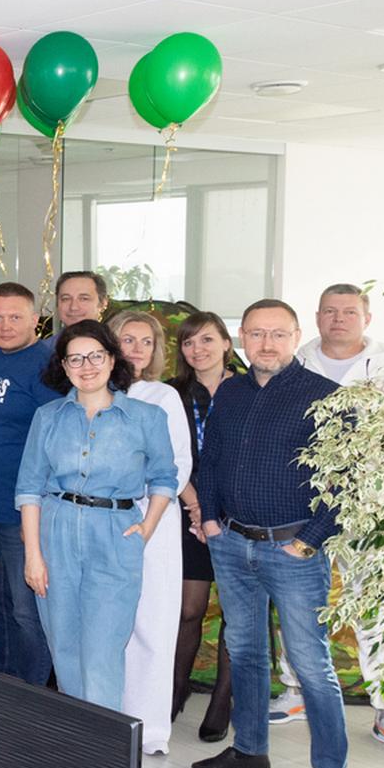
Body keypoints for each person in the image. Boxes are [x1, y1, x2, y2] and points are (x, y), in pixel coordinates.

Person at [191, 299, 348, 768]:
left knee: (311, 667)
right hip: (232, 543)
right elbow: (211, 459)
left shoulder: (326, 398)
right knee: (245, 651)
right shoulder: (231, 392)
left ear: (296, 337)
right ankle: (250, 748)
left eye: (278, 334)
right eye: (257, 333)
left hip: (292, 550)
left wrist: (309, 541)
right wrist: (211, 521)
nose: (267, 344)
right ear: (242, 337)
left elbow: (344, 482)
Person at [277, 283, 384, 758]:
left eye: (349, 312)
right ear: (317, 317)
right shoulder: (296, 363)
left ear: (367, 318)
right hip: (305, 505)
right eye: (330, 311)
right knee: (298, 600)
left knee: (376, 609)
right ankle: (294, 690)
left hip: (369, 508)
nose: (339, 319)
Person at [16, 320, 177, 712]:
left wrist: (146, 527)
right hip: (56, 534)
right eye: (75, 359)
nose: (86, 366)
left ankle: (107, 746)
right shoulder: (48, 417)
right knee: (65, 648)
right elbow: (29, 487)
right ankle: (79, 741)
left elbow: (164, 479)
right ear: (63, 366)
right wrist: (33, 555)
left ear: (112, 359)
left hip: (115, 535)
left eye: (95, 356)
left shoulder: (146, 417)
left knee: (103, 651)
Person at [0, 282, 60, 686]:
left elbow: (56, 443)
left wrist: (35, 513)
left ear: (35, 320)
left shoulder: (45, 367)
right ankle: (2, 684)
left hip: (21, 513)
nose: (5, 325)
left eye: (15, 317)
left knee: (26, 611)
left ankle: (32, 695)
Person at [109, 310, 194, 756]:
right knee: (108, 625)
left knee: (152, 623)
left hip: (154, 521)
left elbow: (178, 463)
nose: (137, 349)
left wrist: (136, 494)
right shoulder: (92, 391)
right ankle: (108, 720)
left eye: (147, 341)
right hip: (102, 521)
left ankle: (150, 729)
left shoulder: (164, 396)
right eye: (128, 339)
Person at [168, 311, 236, 743]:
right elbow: (166, 453)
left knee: (236, 614)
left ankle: (222, 701)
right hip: (185, 510)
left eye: (207, 340)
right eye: (189, 342)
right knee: (187, 610)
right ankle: (174, 691)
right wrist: (194, 505)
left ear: (227, 343)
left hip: (239, 515)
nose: (198, 349)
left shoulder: (248, 390)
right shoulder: (173, 393)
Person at [52, 270, 108, 336]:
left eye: (84, 299)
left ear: (102, 304)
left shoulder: (115, 342)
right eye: (66, 299)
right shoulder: (45, 343)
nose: (73, 307)